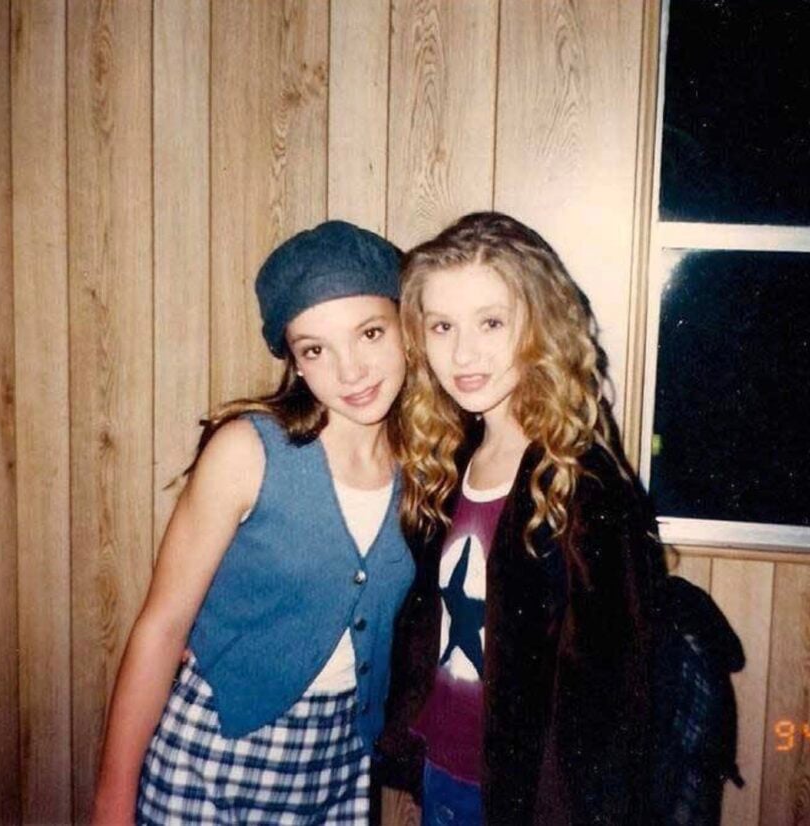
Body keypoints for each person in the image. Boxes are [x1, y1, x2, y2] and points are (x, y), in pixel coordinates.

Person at [92, 221, 415, 825]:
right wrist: (112, 803)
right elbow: (161, 628)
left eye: (370, 333)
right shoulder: (248, 451)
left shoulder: (426, 466)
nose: (350, 371)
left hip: (342, 762)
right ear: (294, 362)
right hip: (214, 755)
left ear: (407, 326)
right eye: (315, 349)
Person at [377, 212, 667, 825]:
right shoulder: (448, 460)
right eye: (442, 326)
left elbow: (616, 698)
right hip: (441, 772)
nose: (464, 353)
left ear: (538, 326)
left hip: (528, 800)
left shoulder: (583, 482)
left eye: (491, 322)